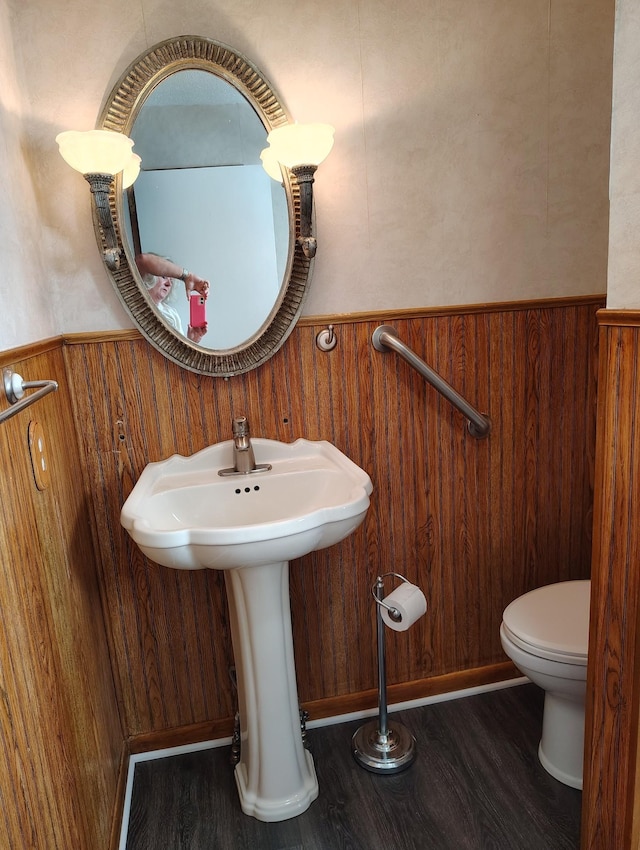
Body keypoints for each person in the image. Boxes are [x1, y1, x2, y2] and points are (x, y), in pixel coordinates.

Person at [135, 254, 209, 344]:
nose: (169, 284)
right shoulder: (137, 301)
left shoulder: (172, 313)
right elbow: (142, 260)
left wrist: (191, 341)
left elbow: (178, 352)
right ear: (150, 276)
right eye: (164, 277)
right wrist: (188, 276)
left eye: (171, 280)